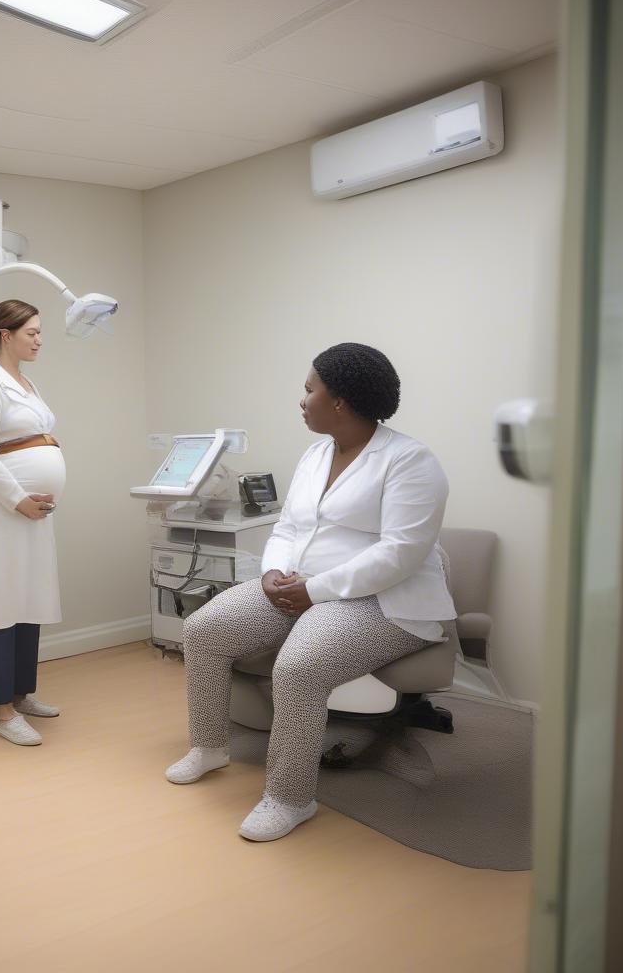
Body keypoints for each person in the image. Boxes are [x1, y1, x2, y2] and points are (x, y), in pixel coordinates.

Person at [165, 343, 456, 841]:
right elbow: (288, 527)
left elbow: (401, 553)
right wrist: (272, 572)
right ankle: (209, 746)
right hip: (298, 586)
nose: (302, 400)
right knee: (204, 629)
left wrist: (315, 590)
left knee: (300, 667)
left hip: (380, 601)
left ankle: (289, 796)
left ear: (339, 400)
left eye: (309, 389)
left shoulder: (410, 461)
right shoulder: (316, 453)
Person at [0, 299, 65, 747]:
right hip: (6, 512)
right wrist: (20, 499)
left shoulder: (27, 382)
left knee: (30, 599)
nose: (40, 340)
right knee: (2, 606)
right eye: (33, 333)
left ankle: (22, 695)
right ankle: (3, 713)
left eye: (40, 332)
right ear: (6, 334)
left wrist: (38, 498)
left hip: (33, 513)